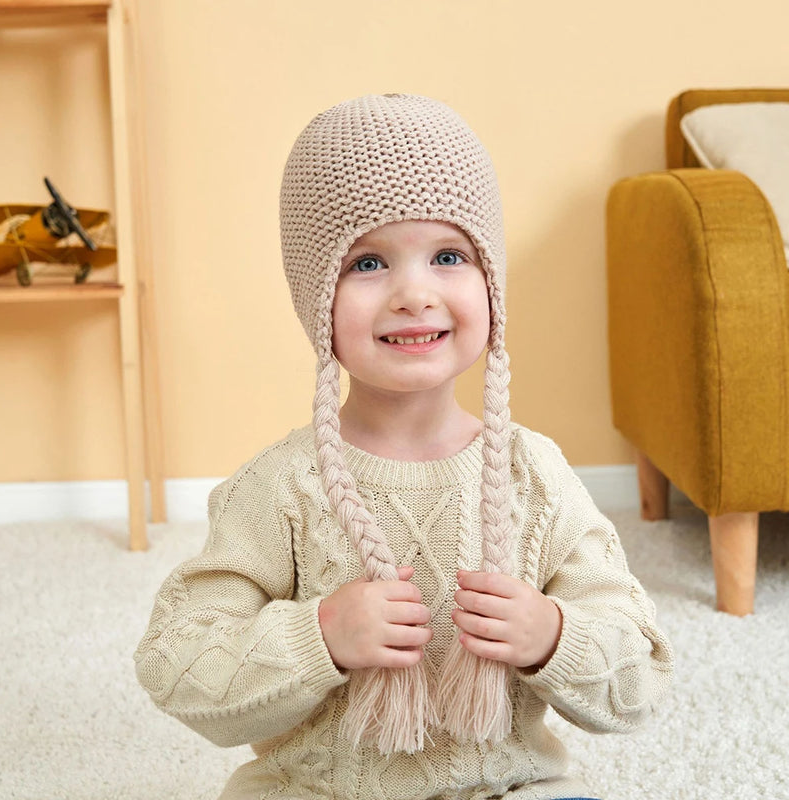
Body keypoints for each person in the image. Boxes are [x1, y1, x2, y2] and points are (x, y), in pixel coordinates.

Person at [135, 94, 674, 800]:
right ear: (316, 297)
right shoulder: (281, 488)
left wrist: (552, 635)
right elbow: (175, 662)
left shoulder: (534, 476)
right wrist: (317, 637)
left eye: (449, 255)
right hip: (321, 790)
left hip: (505, 787)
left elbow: (642, 681)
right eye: (367, 264)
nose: (414, 293)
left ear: (491, 283)